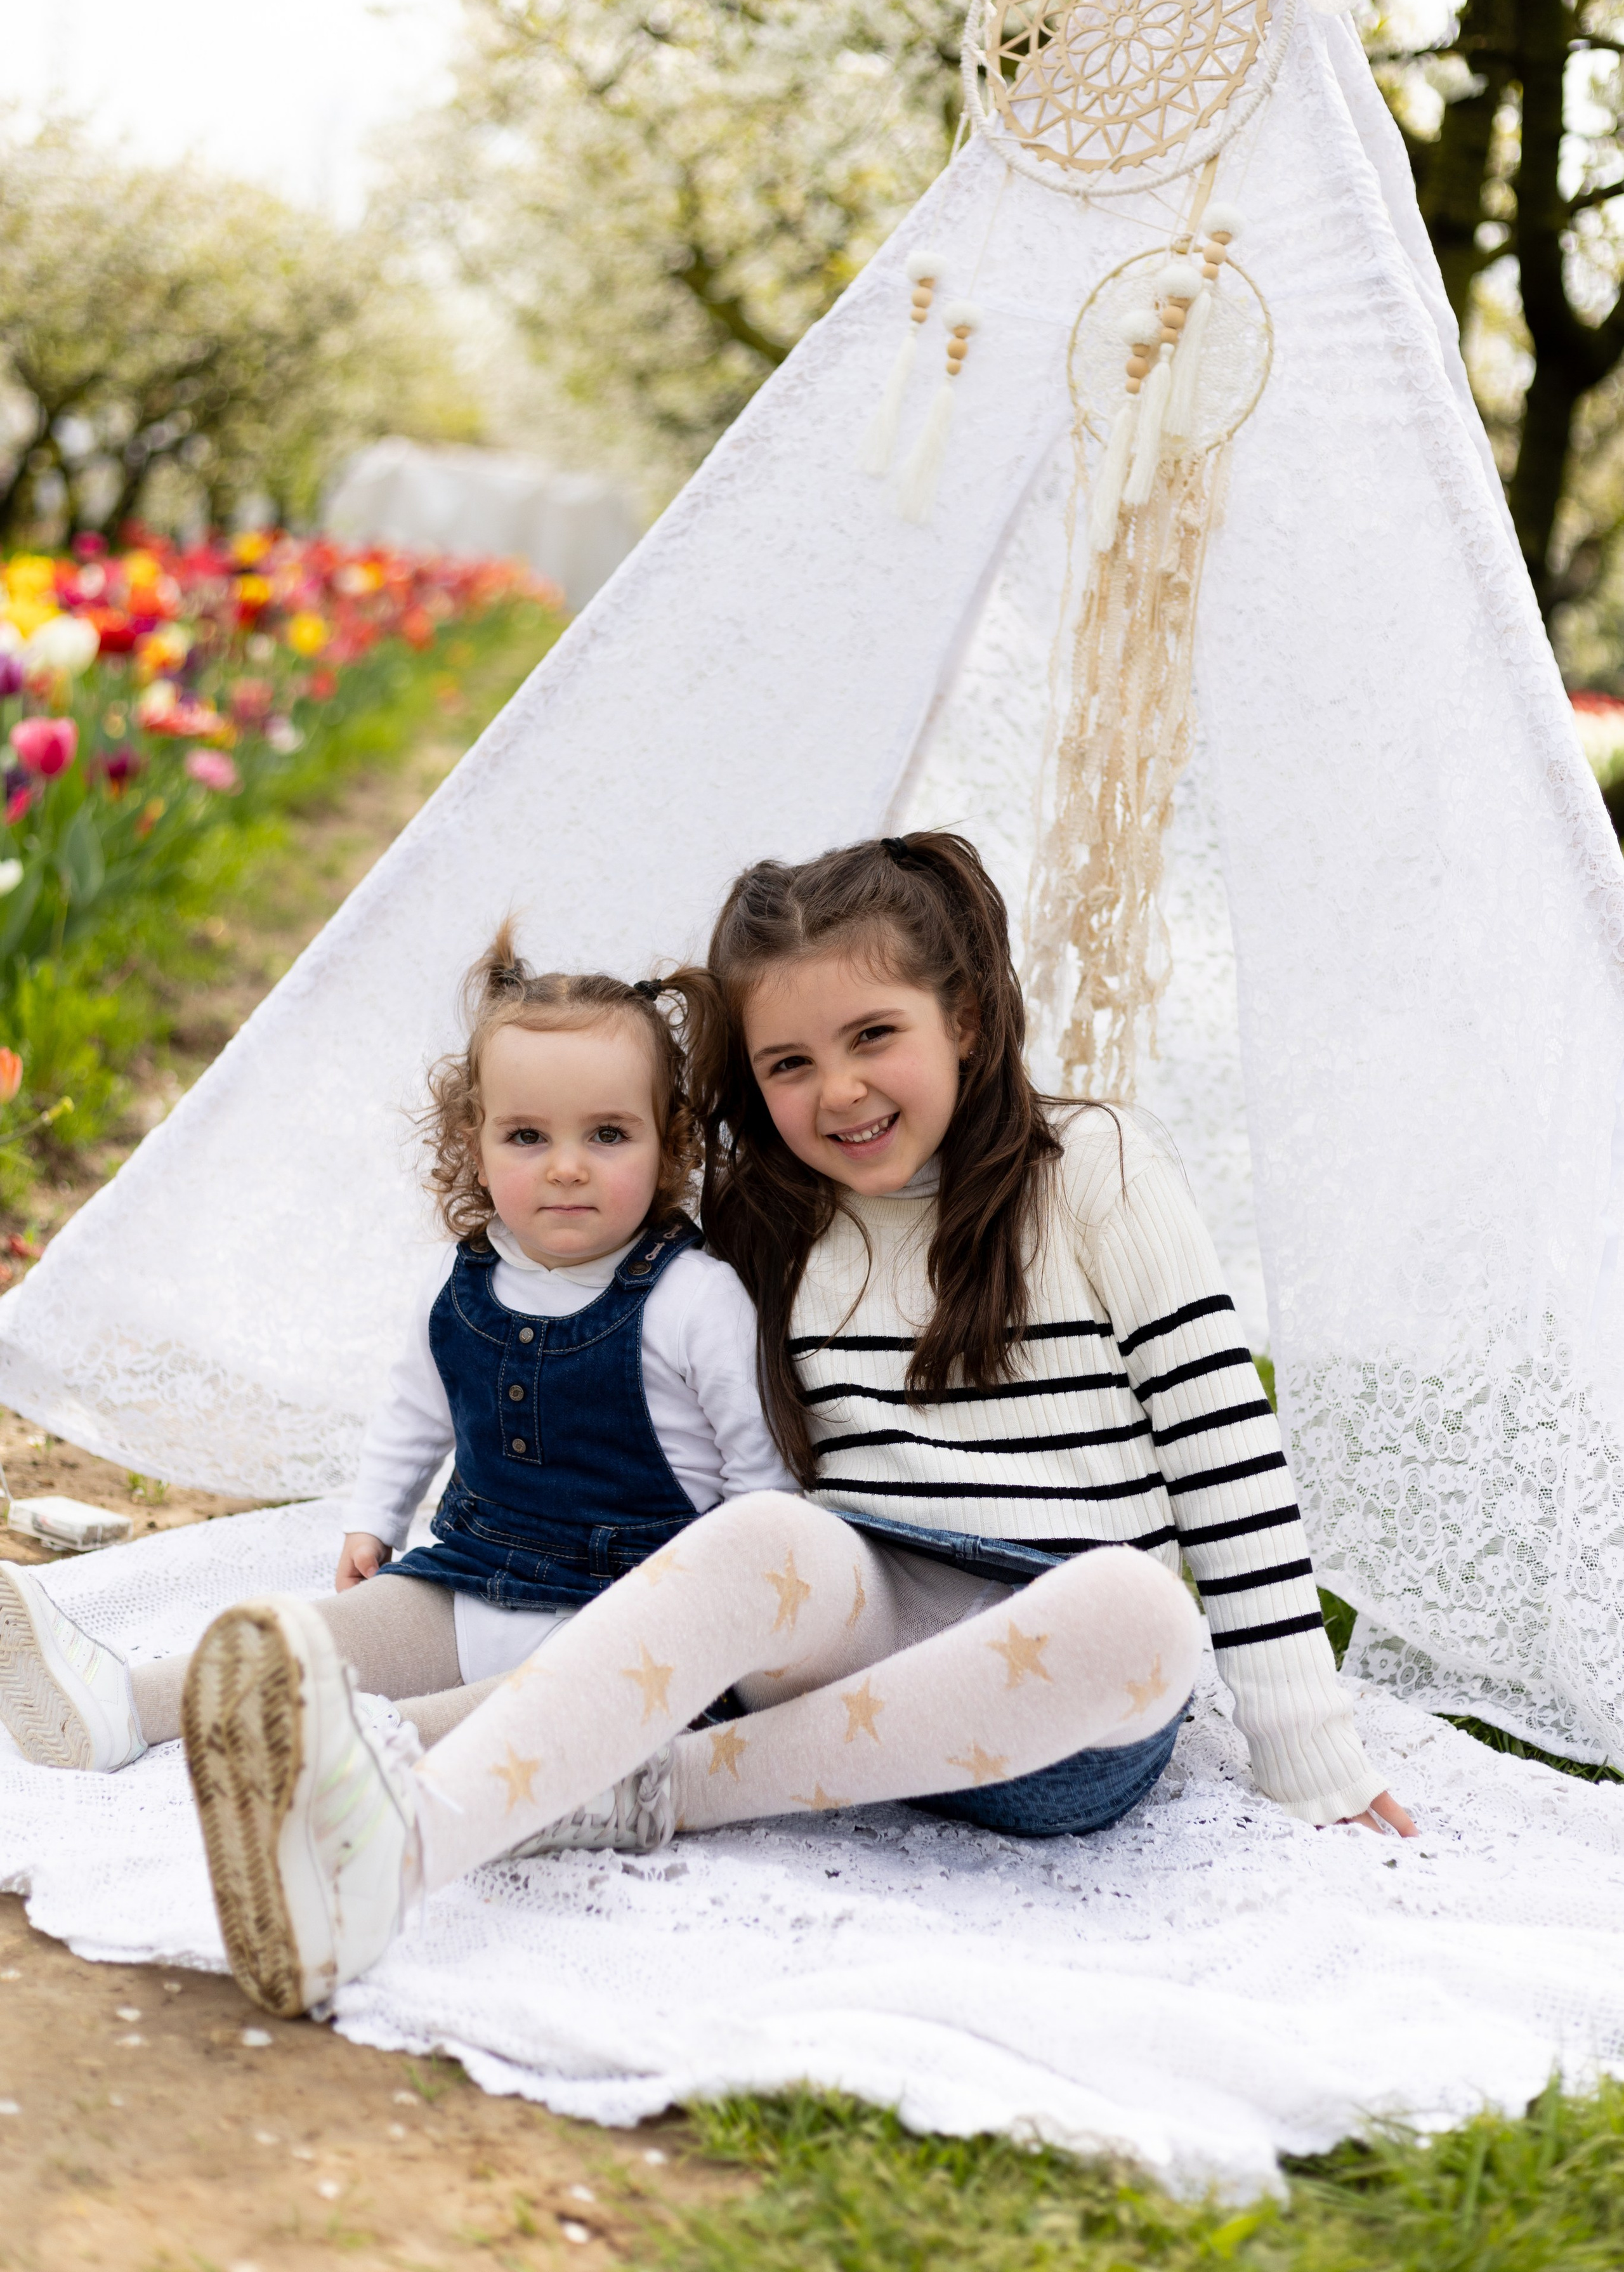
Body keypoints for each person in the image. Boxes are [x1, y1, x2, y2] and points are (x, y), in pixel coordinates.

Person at [183, 830, 1413, 2019]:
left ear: (967, 1021)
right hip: (856, 1655)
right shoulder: (766, 1223)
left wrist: (1304, 1746)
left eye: (874, 1035)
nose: (838, 1091)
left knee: (1141, 1610)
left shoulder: (1090, 1170)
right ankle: (378, 1823)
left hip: (1054, 1722)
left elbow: (1223, 1454)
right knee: (765, 1534)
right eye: (787, 1064)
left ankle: (557, 1788)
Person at [0, 928, 794, 1815]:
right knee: (324, 1636)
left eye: (608, 1134)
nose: (568, 1166)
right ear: (476, 1144)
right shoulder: (460, 1286)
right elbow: (415, 1414)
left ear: (670, 1142)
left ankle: (356, 1764)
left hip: (628, 1613)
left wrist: (737, 1614)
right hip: (475, 1575)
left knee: (538, 1710)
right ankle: (125, 1706)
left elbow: (757, 1478)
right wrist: (374, 1521)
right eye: (528, 1135)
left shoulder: (695, 1298)